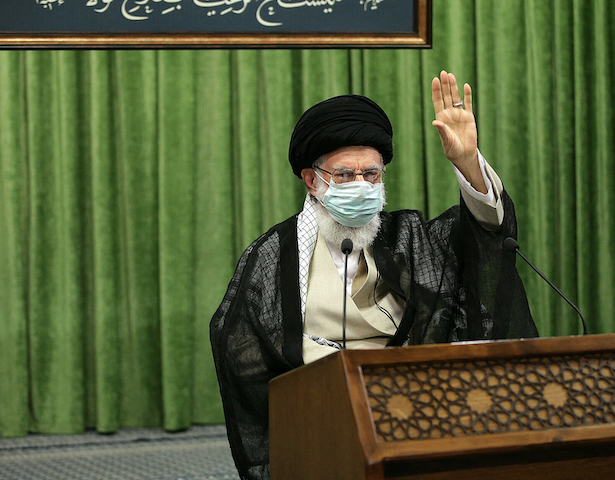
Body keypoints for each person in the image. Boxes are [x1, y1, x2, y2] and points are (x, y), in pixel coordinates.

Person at [209, 71, 538, 480]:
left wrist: (467, 161)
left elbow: (483, 233)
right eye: (345, 175)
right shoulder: (275, 252)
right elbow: (237, 336)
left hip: (410, 401)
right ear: (312, 180)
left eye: (371, 174)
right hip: (320, 404)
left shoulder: (407, 236)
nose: (361, 185)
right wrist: (329, 373)